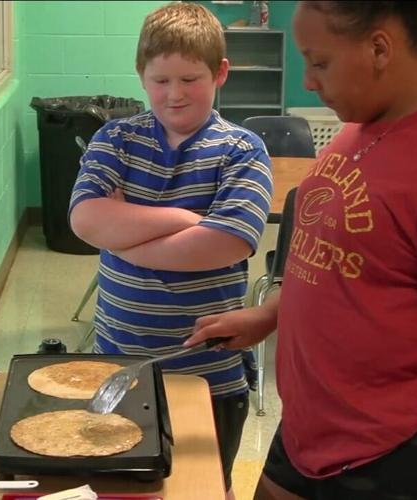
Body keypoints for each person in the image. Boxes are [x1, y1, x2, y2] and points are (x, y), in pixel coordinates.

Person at [185, 2, 417, 499]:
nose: (307, 81)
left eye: (319, 62)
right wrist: (269, 315)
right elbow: (343, 261)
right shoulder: (362, 126)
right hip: (312, 428)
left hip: (392, 450)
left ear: (379, 48)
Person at [68, 2, 274, 497]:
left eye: (190, 79)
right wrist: (185, 220)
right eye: (161, 80)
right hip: (119, 366)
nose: (174, 94)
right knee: (123, 486)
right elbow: (84, 220)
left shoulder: (242, 150)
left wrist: (127, 238)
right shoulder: (115, 139)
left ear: (220, 73)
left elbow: (225, 244)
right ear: (141, 76)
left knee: (203, 487)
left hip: (209, 376)